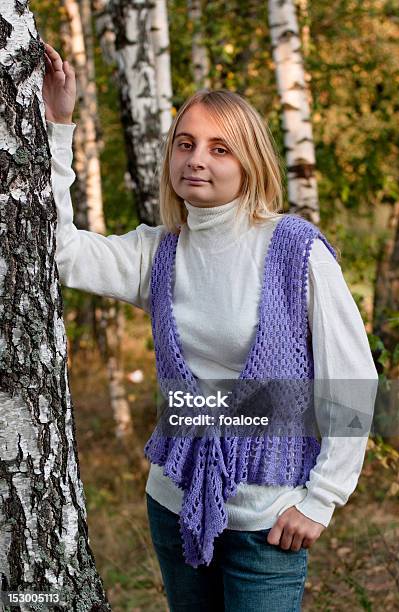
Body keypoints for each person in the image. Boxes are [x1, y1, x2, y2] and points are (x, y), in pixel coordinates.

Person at [42, 41, 378, 612]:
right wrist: (58, 127)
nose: (197, 159)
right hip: (174, 506)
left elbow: (355, 380)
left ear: (250, 162)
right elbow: (62, 250)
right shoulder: (159, 254)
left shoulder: (296, 254)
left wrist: (321, 499)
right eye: (186, 143)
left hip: (268, 523)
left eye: (219, 148)